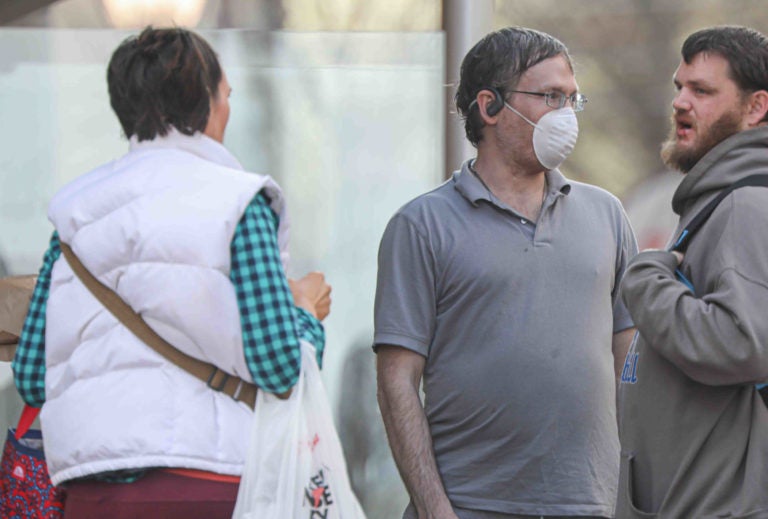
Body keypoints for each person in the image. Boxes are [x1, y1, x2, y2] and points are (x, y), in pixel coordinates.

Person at [11, 27, 331, 519]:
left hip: (92, 493)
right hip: (209, 484)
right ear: (205, 101)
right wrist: (305, 311)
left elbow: (33, 376)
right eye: (226, 95)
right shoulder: (238, 205)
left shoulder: (73, 219)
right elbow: (281, 367)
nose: (228, 108)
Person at [374, 27, 638, 519]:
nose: (565, 115)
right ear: (490, 106)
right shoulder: (421, 225)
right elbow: (396, 384)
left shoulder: (606, 215)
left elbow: (632, 369)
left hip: (592, 507)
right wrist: (436, 510)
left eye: (572, 100)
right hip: (471, 508)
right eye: (550, 97)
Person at [616, 25, 768, 518]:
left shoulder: (746, 203)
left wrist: (646, 282)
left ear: (756, 108)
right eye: (680, 87)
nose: (681, 102)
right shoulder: (721, 197)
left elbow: (739, 344)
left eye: (702, 91)